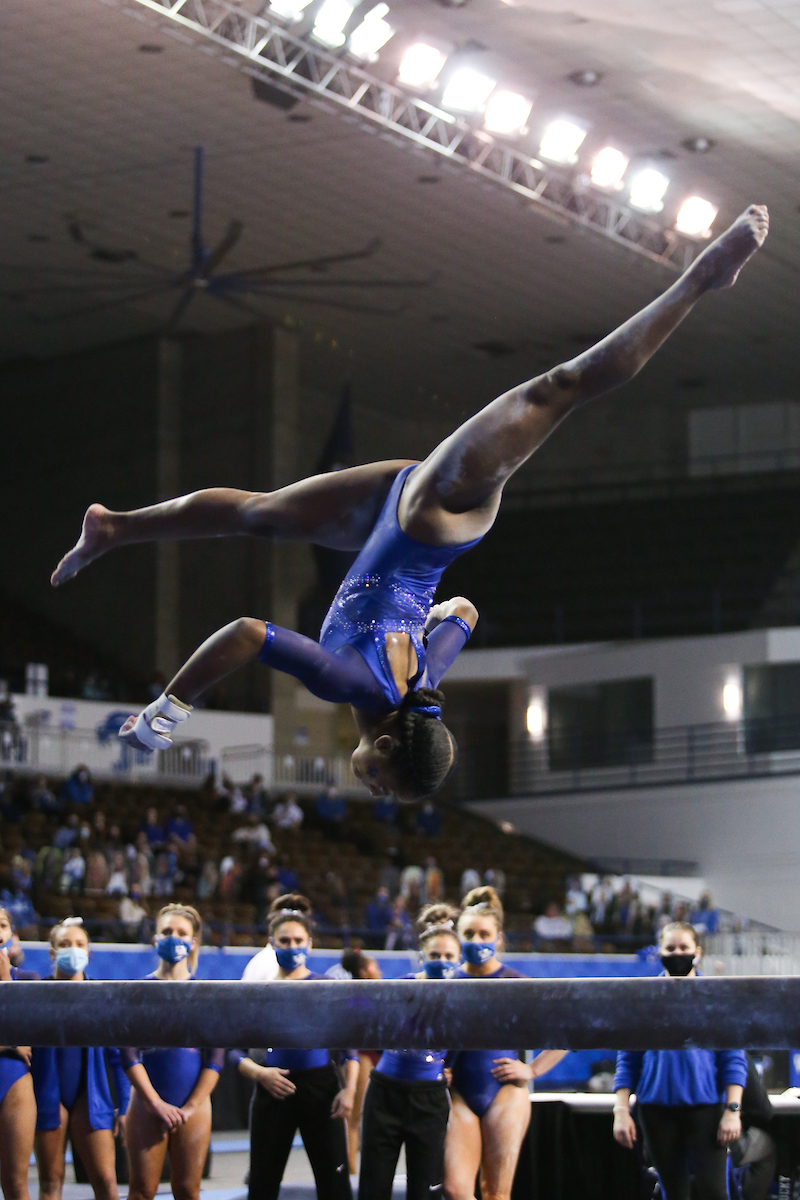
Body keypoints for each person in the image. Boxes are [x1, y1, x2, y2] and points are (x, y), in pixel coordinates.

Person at [51, 207, 770, 797]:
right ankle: (703, 278)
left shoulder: (423, 680)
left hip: (393, 516)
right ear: (388, 746)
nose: (373, 791)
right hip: (431, 514)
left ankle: (114, 528)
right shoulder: (347, 683)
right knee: (560, 389)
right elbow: (243, 633)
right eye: (384, 786)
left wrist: (417, 617)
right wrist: (169, 711)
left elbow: (464, 611)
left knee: (258, 515)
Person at [445, 887, 567, 1200]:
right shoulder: (446, 984)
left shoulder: (516, 985)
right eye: (468, 934)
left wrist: (533, 1069)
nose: (476, 941)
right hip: (457, 1094)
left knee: (496, 1194)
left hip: (504, 1092)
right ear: (457, 937)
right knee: (455, 1190)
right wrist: (435, 1068)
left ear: (498, 938)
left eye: (484, 934)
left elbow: (568, 1032)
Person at [233, 894, 358, 1200]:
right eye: (284, 941)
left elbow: (349, 1048)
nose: (292, 947)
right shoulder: (258, 992)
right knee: (262, 1183)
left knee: (334, 1184)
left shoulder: (326, 988)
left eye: (298, 941)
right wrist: (260, 1074)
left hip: (321, 1090)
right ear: (272, 943)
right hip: (272, 1087)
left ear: (310, 944)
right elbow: (233, 1051)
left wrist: (350, 1090)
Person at [612, 921, 747, 1200]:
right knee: (673, 1193)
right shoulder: (644, 999)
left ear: (697, 951)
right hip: (656, 1111)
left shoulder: (717, 998)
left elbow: (733, 1059)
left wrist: (732, 1110)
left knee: (714, 1193)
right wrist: (621, 1110)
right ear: (660, 952)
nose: (677, 954)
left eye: (684, 947)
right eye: (670, 948)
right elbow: (628, 1060)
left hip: (706, 1110)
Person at [121, 905, 223, 1200]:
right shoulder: (138, 992)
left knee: (188, 1190)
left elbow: (215, 1060)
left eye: (181, 933)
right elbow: (128, 1055)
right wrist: (155, 1103)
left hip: (195, 1104)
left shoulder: (206, 995)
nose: (173, 938)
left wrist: (190, 1107)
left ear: (193, 942)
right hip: (147, 1102)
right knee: (141, 1191)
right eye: (166, 932)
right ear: (155, 939)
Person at [359, 905, 459, 1200]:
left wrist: (447, 1064)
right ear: (421, 956)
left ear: (459, 959)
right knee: (374, 1188)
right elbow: (368, 1025)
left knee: (425, 1190)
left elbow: (467, 1041)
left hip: (429, 1099)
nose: (441, 962)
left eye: (449, 956)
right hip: (385, 1094)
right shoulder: (402, 987)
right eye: (435, 956)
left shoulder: (464, 996)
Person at [31, 918, 130, 1200]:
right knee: (51, 1183)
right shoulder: (34, 995)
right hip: (48, 1095)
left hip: (91, 1096)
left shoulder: (102, 996)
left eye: (79, 944)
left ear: (88, 951)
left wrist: (125, 1105)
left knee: (106, 1182)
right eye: (64, 944)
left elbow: (118, 1057)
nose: (72, 949)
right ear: (52, 953)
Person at [0, 906, 36, 1200]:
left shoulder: (28, 979)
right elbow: (17, 1041)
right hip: (12, 1063)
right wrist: (10, 1045)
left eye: (1, 925)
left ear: (12, 935)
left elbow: (29, 1037)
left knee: (15, 1184)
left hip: (14, 1083)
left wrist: (4, 977)